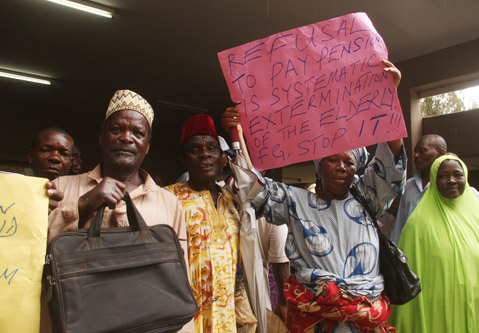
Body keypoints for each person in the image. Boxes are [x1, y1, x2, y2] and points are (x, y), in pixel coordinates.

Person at [221, 60, 406, 333]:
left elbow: (390, 168)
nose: (342, 167)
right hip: (316, 322)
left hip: (366, 318)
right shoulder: (295, 202)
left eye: (349, 162)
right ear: (319, 167)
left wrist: (388, 97)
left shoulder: (368, 197)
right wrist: (235, 135)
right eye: (332, 160)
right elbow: (252, 187)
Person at [43, 89, 190, 331]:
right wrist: (86, 203)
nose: (126, 138)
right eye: (116, 130)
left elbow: (178, 279)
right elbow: (34, 255)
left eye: (138, 133)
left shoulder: (170, 202)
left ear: (147, 145)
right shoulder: (61, 188)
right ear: (101, 137)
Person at [165, 114, 258, 332]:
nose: (205, 154)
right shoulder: (168, 198)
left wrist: (237, 133)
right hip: (187, 316)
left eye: (211, 148)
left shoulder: (235, 199)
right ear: (183, 158)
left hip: (232, 315)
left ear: (222, 157)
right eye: (195, 150)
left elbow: (253, 180)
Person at [390, 154, 479, 332]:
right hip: (437, 311)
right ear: (433, 179)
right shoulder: (417, 225)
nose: (451, 181)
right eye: (443, 176)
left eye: (458, 175)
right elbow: (408, 280)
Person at [390, 135, 479, 244]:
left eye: (422, 151)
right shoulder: (409, 185)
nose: (416, 155)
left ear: (440, 153)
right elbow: (401, 223)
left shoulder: (459, 191)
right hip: (412, 252)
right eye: (415, 151)